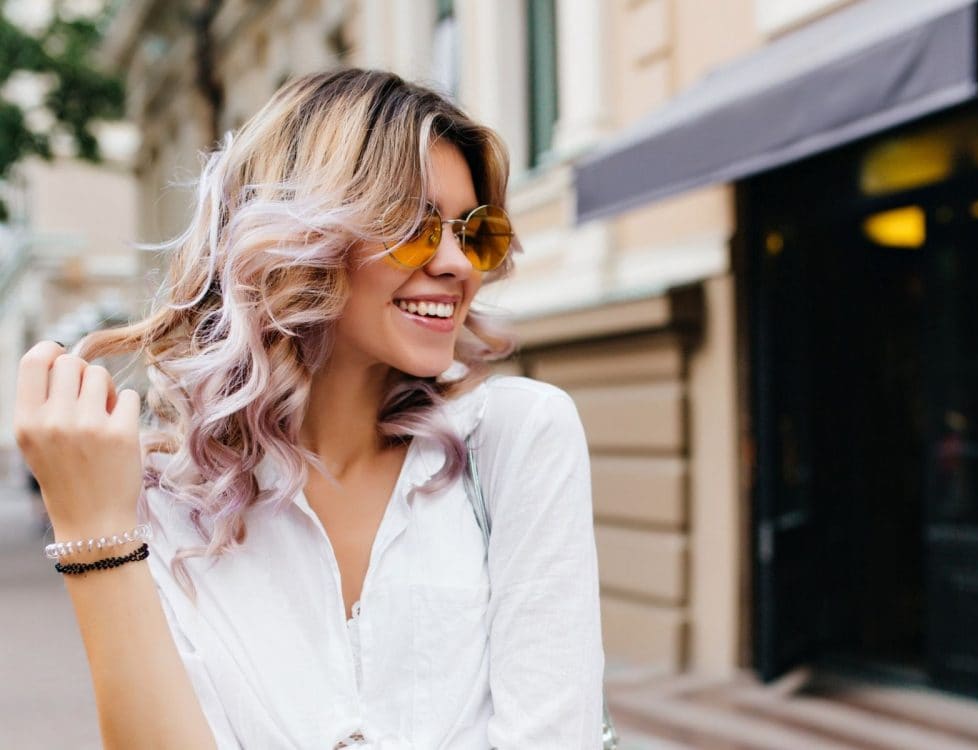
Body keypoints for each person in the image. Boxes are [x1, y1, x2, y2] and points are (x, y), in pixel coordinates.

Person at [13, 68, 605, 749]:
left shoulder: (515, 440)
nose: (458, 264)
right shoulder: (168, 509)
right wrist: (95, 532)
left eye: (476, 232)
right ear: (302, 240)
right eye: (413, 226)